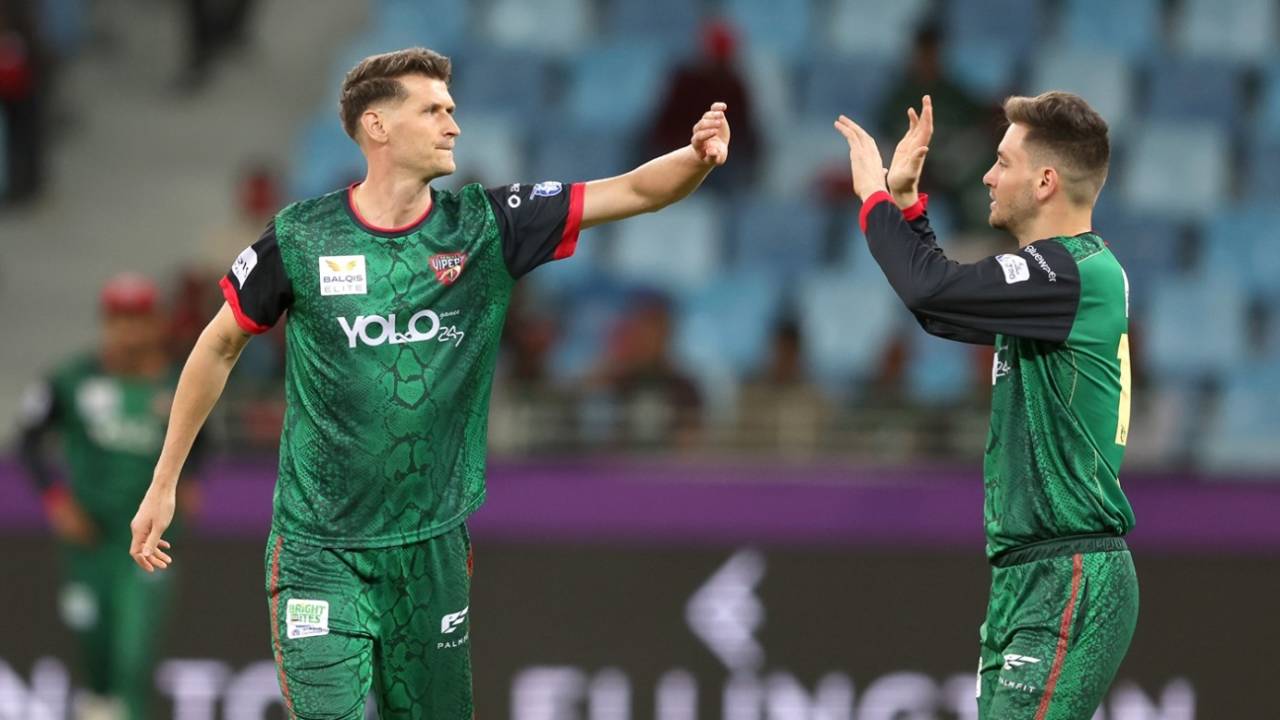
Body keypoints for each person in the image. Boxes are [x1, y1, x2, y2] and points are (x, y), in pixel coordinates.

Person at [127, 47, 731, 718]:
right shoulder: (301, 238)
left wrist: (696, 159)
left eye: (453, 109)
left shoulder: (485, 226)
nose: (454, 125)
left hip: (432, 551)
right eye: (434, 109)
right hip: (317, 551)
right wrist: (164, 480)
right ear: (378, 126)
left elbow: (638, 191)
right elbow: (218, 345)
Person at [834, 92, 1138, 718]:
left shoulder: (1072, 275)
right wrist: (910, 205)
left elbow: (929, 288)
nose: (987, 176)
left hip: (1069, 574)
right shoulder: (1052, 281)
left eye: (1003, 162)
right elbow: (940, 308)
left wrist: (872, 199)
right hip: (1026, 575)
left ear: (1046, 180)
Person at [18, 274, 200, 720]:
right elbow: (29, 440)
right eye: (119, 320)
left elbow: (206, 437)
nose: (129, 332)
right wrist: (57, 501)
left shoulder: (177, 385)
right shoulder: (72, 380)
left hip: (147, 544)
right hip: (89, 540)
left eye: (138, 320)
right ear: (105, 324)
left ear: (156, 324)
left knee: (132, 652)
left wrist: (187, 482)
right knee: (95, 654)